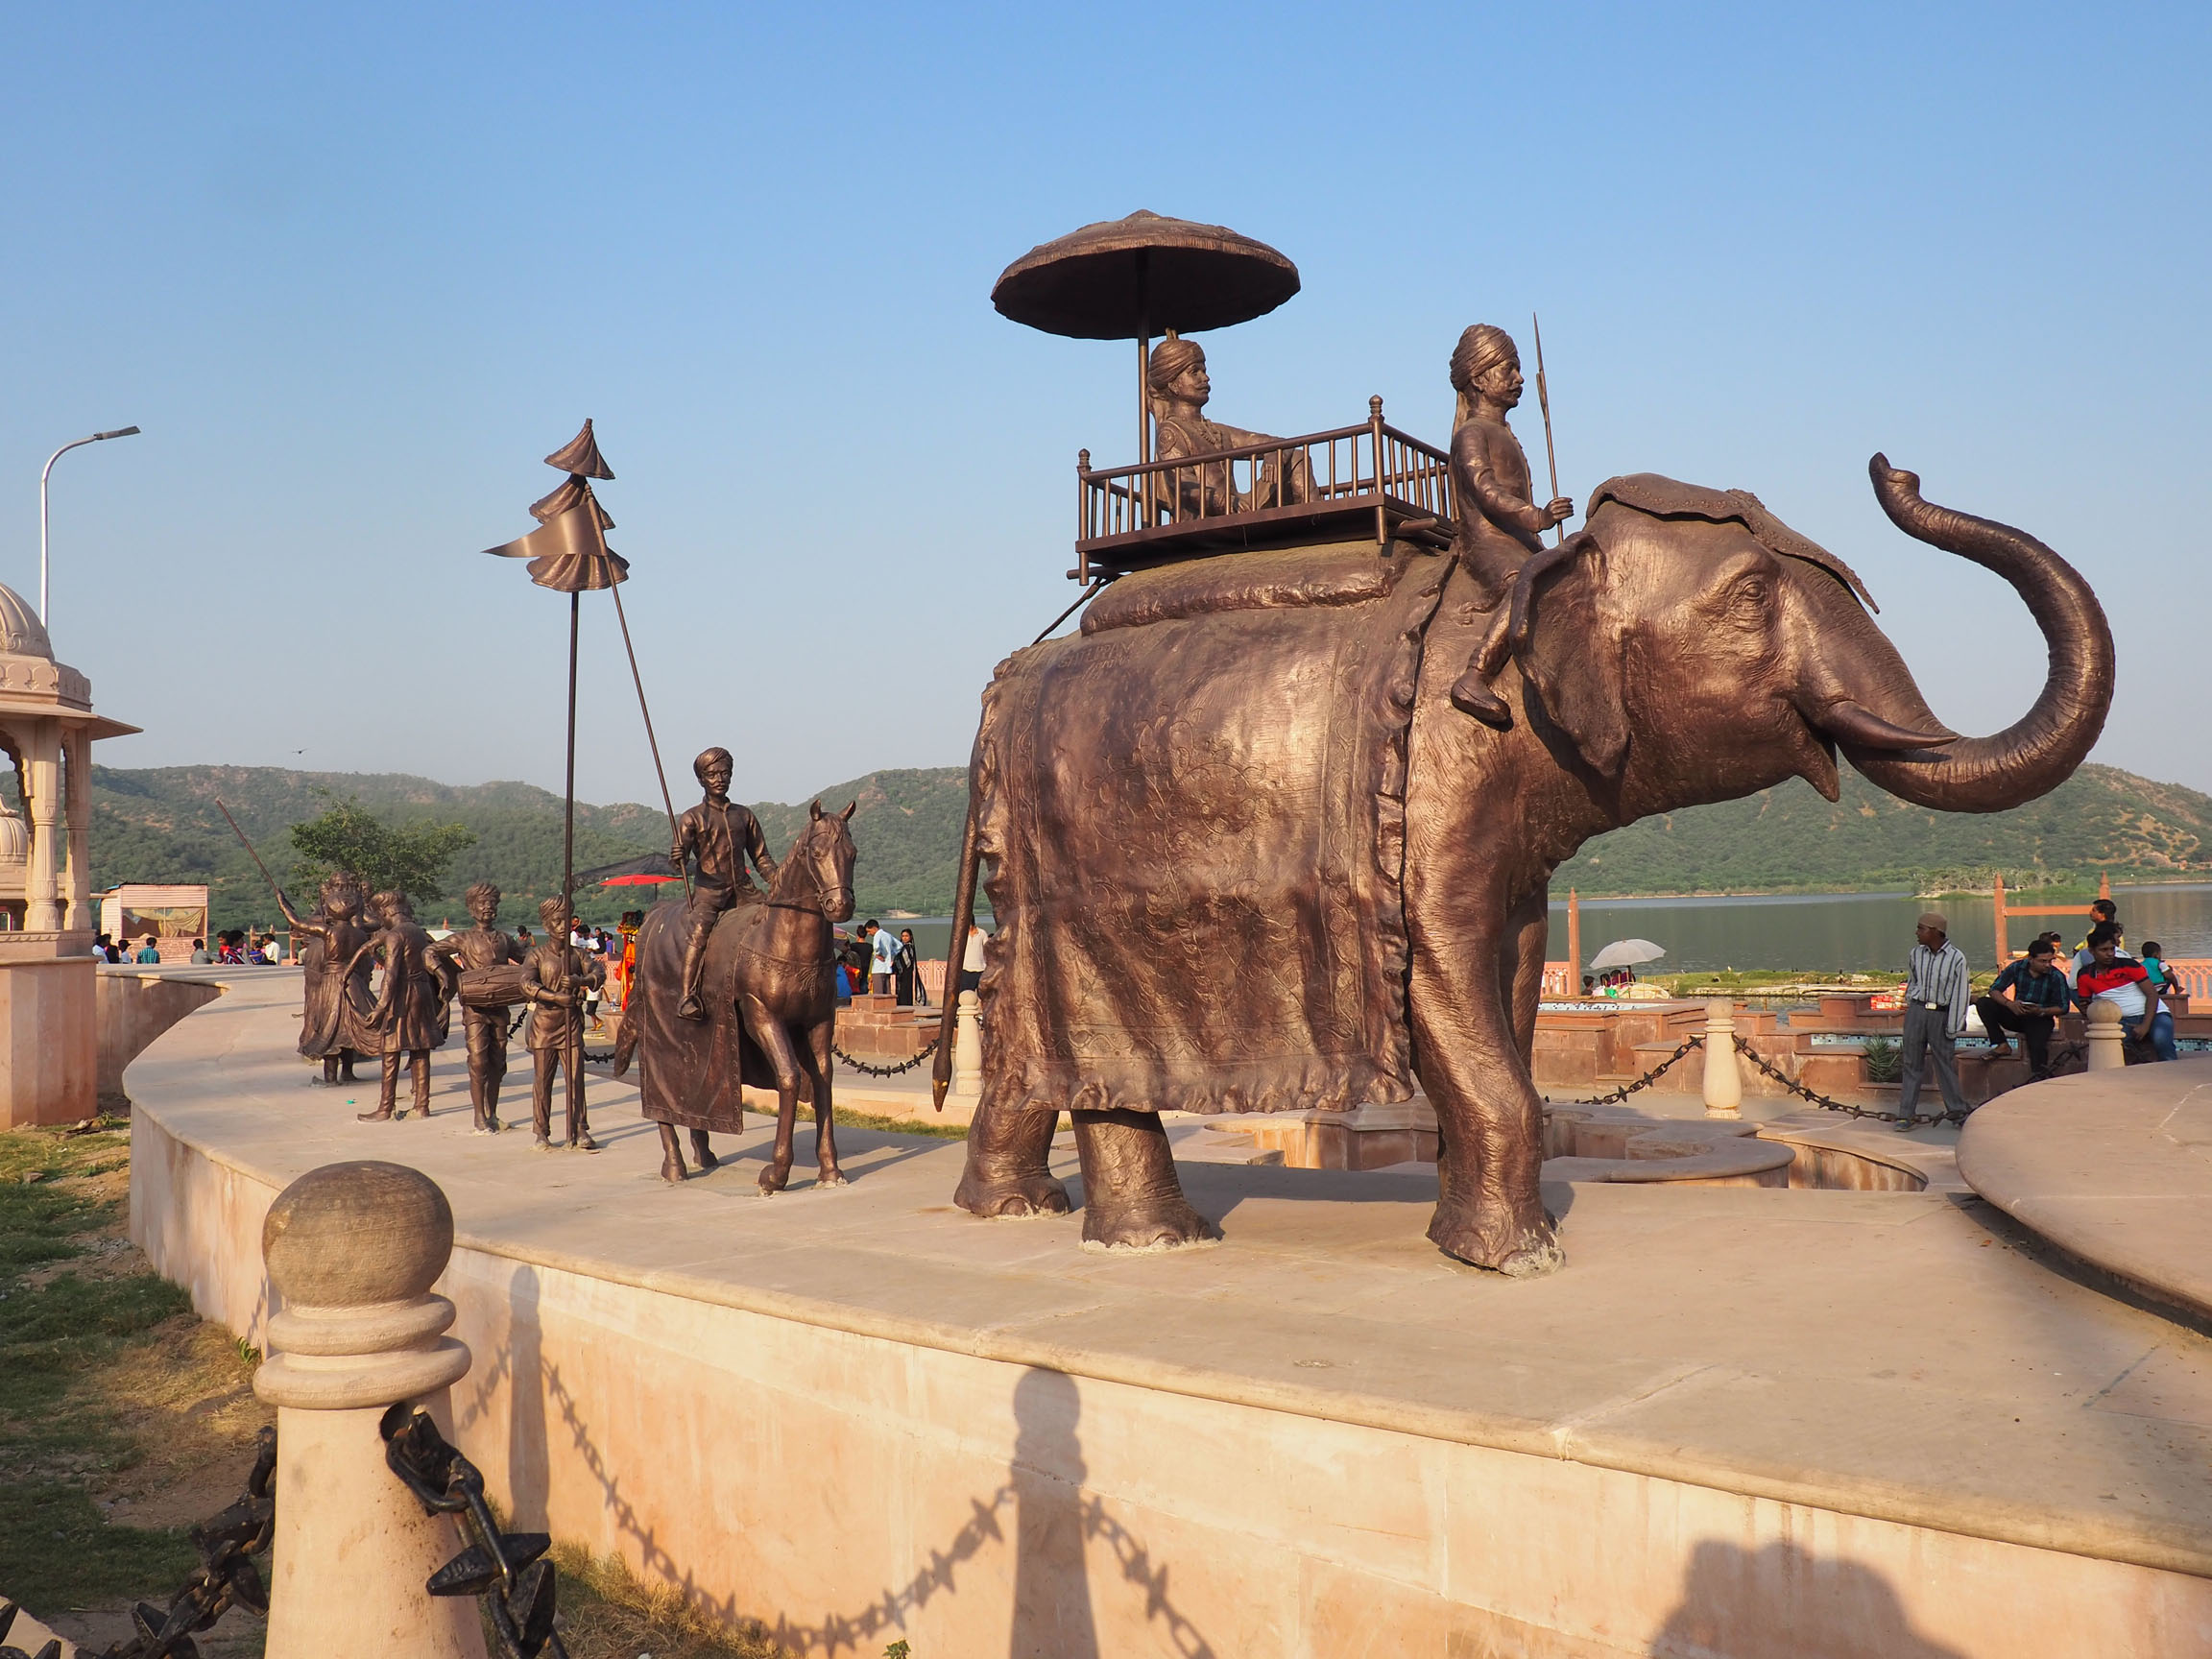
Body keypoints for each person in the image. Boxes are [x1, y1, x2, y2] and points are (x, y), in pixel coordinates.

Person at [1439, 325, 1575, 728]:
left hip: (1519, 539)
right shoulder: (1471, 434)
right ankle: (1475, 676)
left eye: (1519, 369)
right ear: (1480, 379)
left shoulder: (1504, 434)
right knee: (1523, 584)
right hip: (1488, 542)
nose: (1519, 379)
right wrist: (1537, 517)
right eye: (1509, 369)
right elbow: (1487, 491)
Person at [1145, 337, 1311, 519]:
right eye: (1194, 372)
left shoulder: (1216, 430)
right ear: (1173, 385)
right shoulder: (1171, 432)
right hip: (1205, 516)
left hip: (1238, 506)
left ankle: (1313, 517)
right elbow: (1184, 486)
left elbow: (1277, 443)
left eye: (1204, 371)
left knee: (1296, 456)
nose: (1205, 378)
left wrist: (1274, 455)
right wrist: (1226, 503)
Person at [671, 746, 777, 1021]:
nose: (719, 779)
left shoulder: (744, 815)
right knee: (699, 933)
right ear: (701, 779)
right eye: (712, 774)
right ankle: (687, 995)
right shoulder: (692, 817)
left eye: (725, 773)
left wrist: (778, 881)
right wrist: (678, 856)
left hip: (744, 891)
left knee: (777, 920)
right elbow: (678, 863)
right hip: (710, 892)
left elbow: (761, 857)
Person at [427, 879, 524, 1133]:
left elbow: (530, 961)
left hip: (500, 1006)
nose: (488, 907)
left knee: (498, 1062)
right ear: (472, 908)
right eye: (482, 903)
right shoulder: (463, 939)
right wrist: (445, 974)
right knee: (478, 1060)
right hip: (475, 1008)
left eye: (492, 902)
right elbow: (429, 952)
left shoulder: (505, 939)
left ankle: (492, 1113)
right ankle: (479, 1115)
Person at [350, 890, 453, 1121]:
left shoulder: (395, 935)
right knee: (420, 1048)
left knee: (391, 1049)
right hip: (422, 992)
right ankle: (422, 1105)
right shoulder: (417, 931)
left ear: (386, 913)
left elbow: (391, 975)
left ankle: (385, 1108)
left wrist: (380, 1007)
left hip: (402, 995)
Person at [520, 895, 602, 1150]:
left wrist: (581, 981)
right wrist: (555, 997)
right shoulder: (537, 955)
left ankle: (579, 1127)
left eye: (566, 920)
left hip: (571, 1024)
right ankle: (541, 1131)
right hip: (545, 1025)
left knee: (576, 1079)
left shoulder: (578, 954)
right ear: (546, 926)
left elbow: (598, 972)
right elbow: (526, 984)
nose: (562, 925)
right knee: (543, 1082)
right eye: (556, 921)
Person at [1894, 910, 1971, 1132]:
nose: (1917, 932)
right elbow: (1913, 981)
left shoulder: (1956, 958)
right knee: (1911, 1063)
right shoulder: (1916, 954)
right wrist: (1910, 1000)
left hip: (1940, 1014)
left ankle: (1957, 1112)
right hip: (1917, 1011)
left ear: (1935, 931)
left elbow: (1960, 994)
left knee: (1944, 1064)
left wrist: (1953, 1025)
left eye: (1921, 928)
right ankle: (1906, 1114)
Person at [2075, 922, 2176, 1061]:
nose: (2109, 954)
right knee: (2110, 1050)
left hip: (2156, 1014)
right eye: (2104, 950)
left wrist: (2145, 1025)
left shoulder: (2129, 965)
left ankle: (2170, 1071)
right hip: (2119, 1021)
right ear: (2092, 951)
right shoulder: (2085, 975)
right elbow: (2085, 1005)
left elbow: (2152, 994)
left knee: (2162, 1043)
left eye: (2112, 949)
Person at [1976, 938, 2070, 1079]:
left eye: (2050, 961)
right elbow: (1994, 990)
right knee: (1984, 1003)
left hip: (2040, 1018)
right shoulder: (2017, 967)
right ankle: (2001, 1044)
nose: (2047, 965)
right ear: (2031, 959)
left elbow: (2063, 1007)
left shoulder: (2056, 976)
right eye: (2043, 961)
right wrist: (2009, 1004)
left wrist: (2041, 1011)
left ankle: (2039, 1077)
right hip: (2017, 1013)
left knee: (2037, 1047)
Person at [2072, 900, 2124, 979]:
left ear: (2102, 914)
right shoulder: (2093, 931)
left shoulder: (2112, 934)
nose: (2090, 913)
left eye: (2094, 910)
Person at [958, 922, 988, 997]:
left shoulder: (982, 933)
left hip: (980, 969)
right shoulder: (962, 934)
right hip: (966, 969)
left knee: (984, 995)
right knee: (966, 996)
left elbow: (987, 949)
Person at [869, 919, 897, 995]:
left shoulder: (877, 935)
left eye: (869, 931)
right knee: (887, 993)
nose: (869, 933)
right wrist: (891, 955)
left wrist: (878, 954)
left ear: (874, 928)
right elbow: (899, 946)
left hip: (878, 969)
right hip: (886, 968)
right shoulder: (888, 935)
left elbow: (876, 947)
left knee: (878, 994)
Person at [892, 926, 919, 1006]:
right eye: (903, 936)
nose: (904, 938)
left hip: (906, 972)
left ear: (910, 937)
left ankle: (905, 1005)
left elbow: (908, 961)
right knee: (900, 990)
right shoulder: (901, 947)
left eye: (906, 936)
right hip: (901, 973)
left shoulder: (909, 947)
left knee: (905, 990)